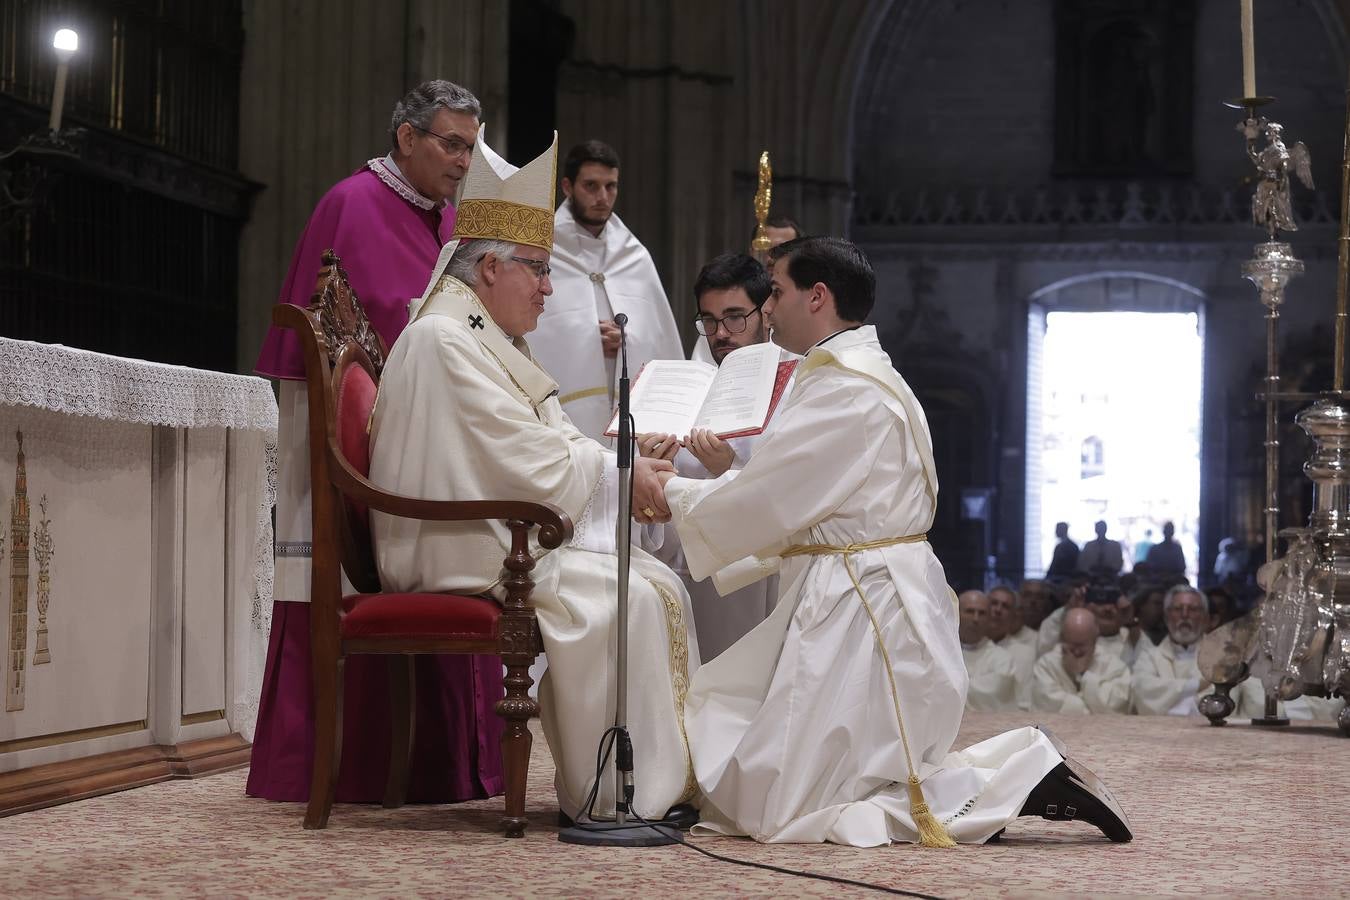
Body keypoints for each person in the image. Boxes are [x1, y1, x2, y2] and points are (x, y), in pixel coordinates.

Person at [646, 236, 1130, 846]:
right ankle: (1026, 768)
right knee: (841, 780)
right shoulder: (858, 374)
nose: (768, 308)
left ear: (816, 297)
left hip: (859, 604)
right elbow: (798, 494)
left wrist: (673, 492)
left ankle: (1024, 777)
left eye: (778, 291)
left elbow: (768, 497)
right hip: (864, 588)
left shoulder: (846, 388)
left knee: (789, 808)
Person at [368, 129, 699, 823]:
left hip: (493, 532)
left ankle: (651, 785)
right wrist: (622, 477)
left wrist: (624, 467)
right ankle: (611, 793)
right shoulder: (444, 340)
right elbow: (525, 456)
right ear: (489, 269)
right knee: (623, 598)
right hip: (454, 547)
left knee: (652, 582)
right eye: (538, 269)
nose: (550, 289)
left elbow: (540, 444)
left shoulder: (480, 336)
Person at [246, 81, 502, 805]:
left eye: (472, 146)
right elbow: (324, 361)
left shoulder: (447, 220)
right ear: (407, 140)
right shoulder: (350, 205)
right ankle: (343, 766)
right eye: (451, 143)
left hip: (434, 442)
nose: (463, 160)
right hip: (371, 457)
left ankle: (445, 764)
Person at [639, 253, 789, 660]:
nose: (721, 332)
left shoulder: (792, 382)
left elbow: (794, 488)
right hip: (684, 566)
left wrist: (731, 468)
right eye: (709, 320)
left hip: (751, 573)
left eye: (736, 317)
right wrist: (652, 466)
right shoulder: (687, 383)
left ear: (765, 314)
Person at [529, 139, 683, 440]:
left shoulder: (633, 254)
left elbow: (660, 338)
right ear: (566, 186)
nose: (602, 197)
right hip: (565, 411)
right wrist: (587, 338)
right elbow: (531, 335)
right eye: (591, 185)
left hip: (626, 409)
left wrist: (628, 341)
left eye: (610, 186)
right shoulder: (541, 249)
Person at [1032, 609, 1131, 715]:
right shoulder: (1046, 665)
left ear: (1094, 641)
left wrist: (1083, 675)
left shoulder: (1115, 667)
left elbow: (1115, 711)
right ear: (1062, 639)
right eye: (1071, 645)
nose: (1077, 651)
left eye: (1081, 646)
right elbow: (1048, 709)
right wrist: (1090, 710)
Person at [958, 591, 1018, 711]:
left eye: (982, 613)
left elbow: (994, 694)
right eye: (970, 611)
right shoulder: (941, 655)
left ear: (989, 618)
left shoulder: (1003, 659)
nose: (976, 619)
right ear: (956, 614)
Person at [988, 584, 1036, 710]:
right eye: (993, 603)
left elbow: (1024, 701)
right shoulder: (962, 648)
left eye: (1005, 606)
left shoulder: (1026, 654)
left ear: (1014, 615)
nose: (998, 610)